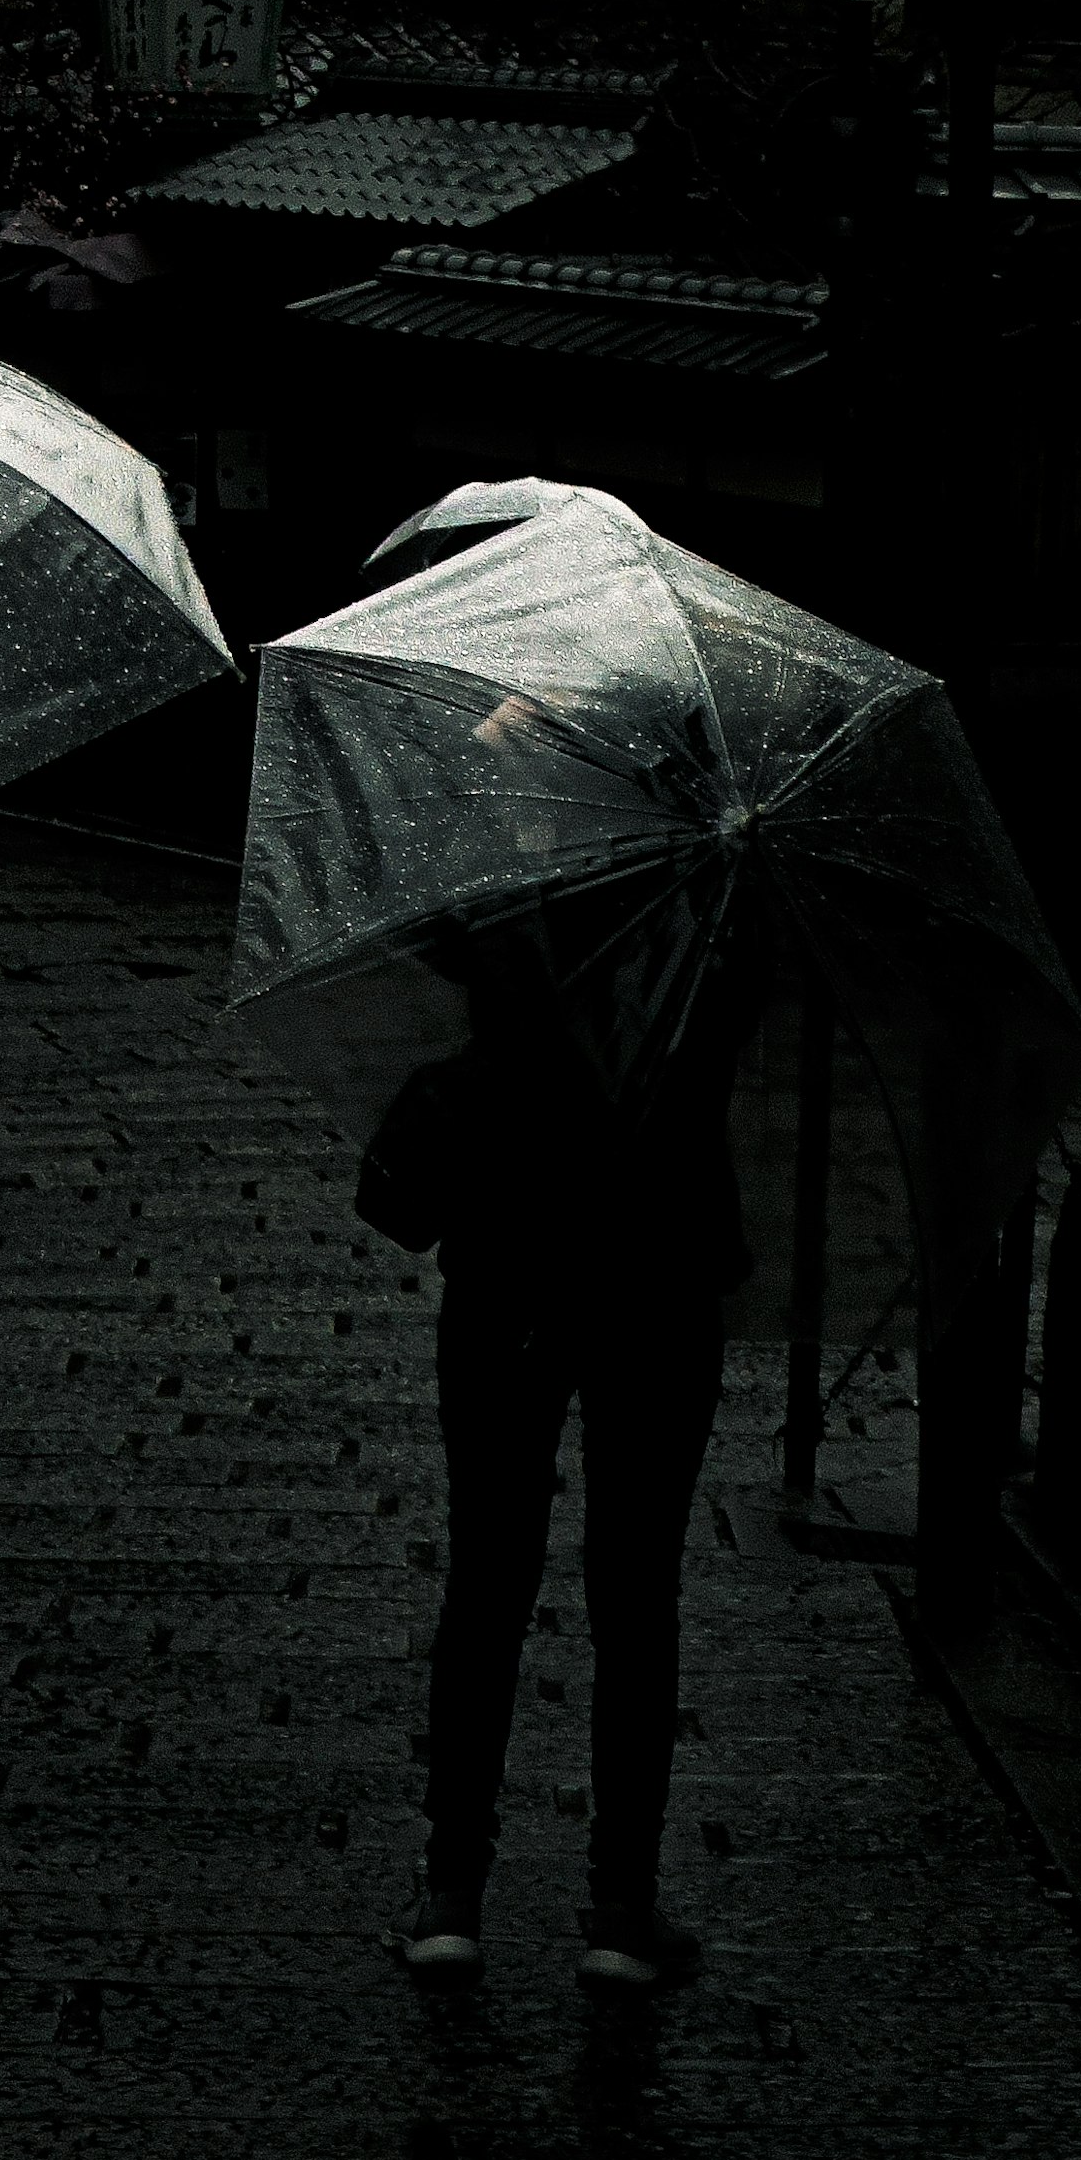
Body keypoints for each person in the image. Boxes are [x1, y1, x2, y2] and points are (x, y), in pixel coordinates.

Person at [359, 849, 770, 1996]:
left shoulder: (504, 880)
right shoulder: (717, 905)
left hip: (511, 1265)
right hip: (659, 1272)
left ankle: (451, 1896)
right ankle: (621, 1906)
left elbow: (427, 941)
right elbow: (740, 1032)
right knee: (637, 1585)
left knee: (490, 1571)